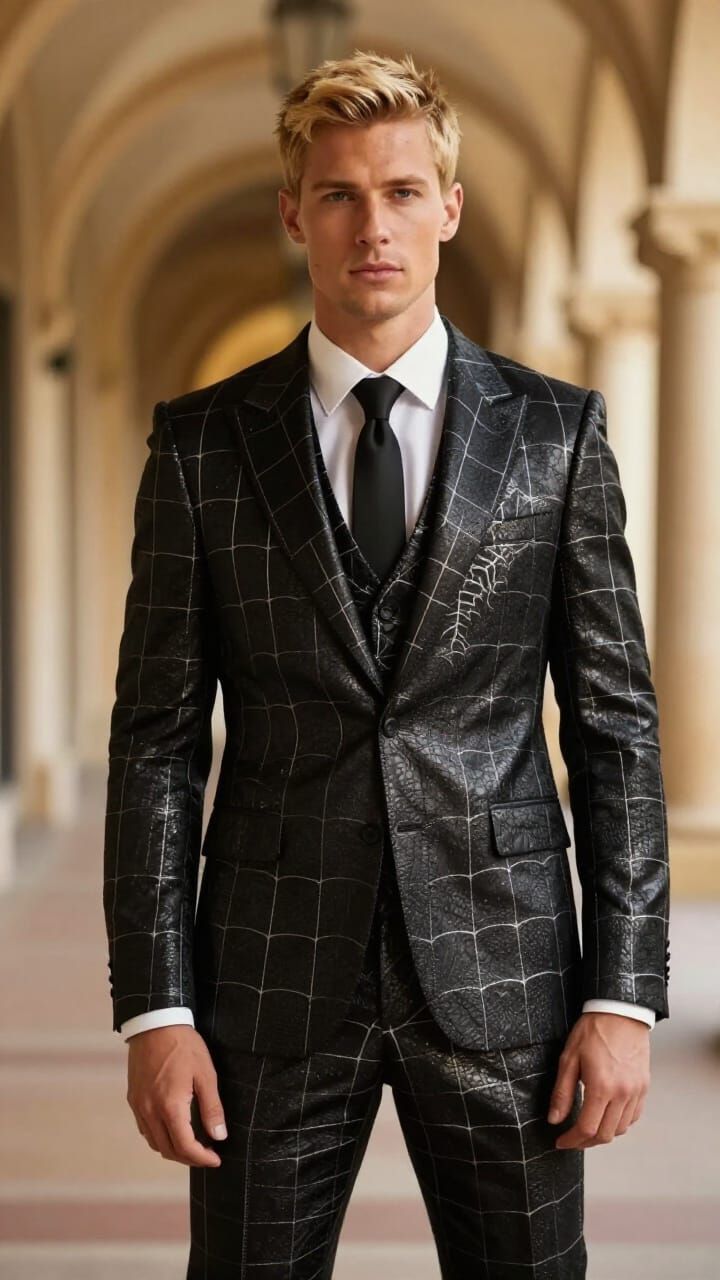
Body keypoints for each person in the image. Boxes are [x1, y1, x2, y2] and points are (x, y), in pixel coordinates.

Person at [103, 49, 670, 1279]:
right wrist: (157, 1006)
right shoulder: (203, 448)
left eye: (404, 191)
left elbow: (616, 726)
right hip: (267, 981)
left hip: (508, 976)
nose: (375, 226)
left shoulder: (556, 434)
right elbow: (154, 745)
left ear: (448, 209)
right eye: (342, 195)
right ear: (293, 213)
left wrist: (622, 995)